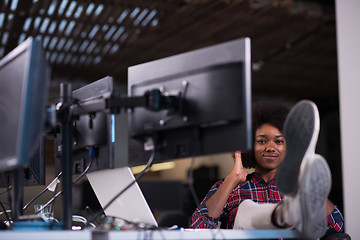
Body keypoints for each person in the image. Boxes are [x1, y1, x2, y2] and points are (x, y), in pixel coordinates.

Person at [191, 100, 344, 239]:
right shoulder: (230, 187)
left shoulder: (297, 187)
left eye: (279, 141)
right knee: (245, 210)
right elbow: (199, 227)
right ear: (249, 146)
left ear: (289, 147)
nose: (270, 148)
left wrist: (308, 184)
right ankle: (287, 214)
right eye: (262, 141)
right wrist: (233, 178)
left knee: (303, 207)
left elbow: (336, 227)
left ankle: (290, 212)